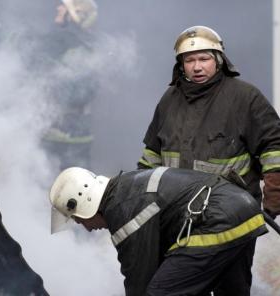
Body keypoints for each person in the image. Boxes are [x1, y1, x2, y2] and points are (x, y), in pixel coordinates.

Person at [137, 26, 280, 294]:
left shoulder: (245, 97)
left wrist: (274, 198)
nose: (197, 66)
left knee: (232, 289)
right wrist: (141, 200)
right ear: (181, 65)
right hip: (180, 219)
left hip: (233, 219)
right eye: (189, 60)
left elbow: (274, 148)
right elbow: (151, 157)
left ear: (219, 60)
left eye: (204, 58)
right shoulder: (168, 101)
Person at [49, 166, 268, 295]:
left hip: (218, 221)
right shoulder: (126, 187)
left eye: (77, 219)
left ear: (85, 202)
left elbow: (139, 282)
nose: (82, 226)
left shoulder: (122, 212)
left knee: (159, 292)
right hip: (243, 210)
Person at [41, 0, 98, 170]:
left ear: (74, 15)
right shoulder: (87, 42)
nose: (58, 8)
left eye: (63, 7)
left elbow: (30, 53)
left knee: (50, 186)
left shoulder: (63, 39)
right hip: (79, 131)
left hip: (60, 132)